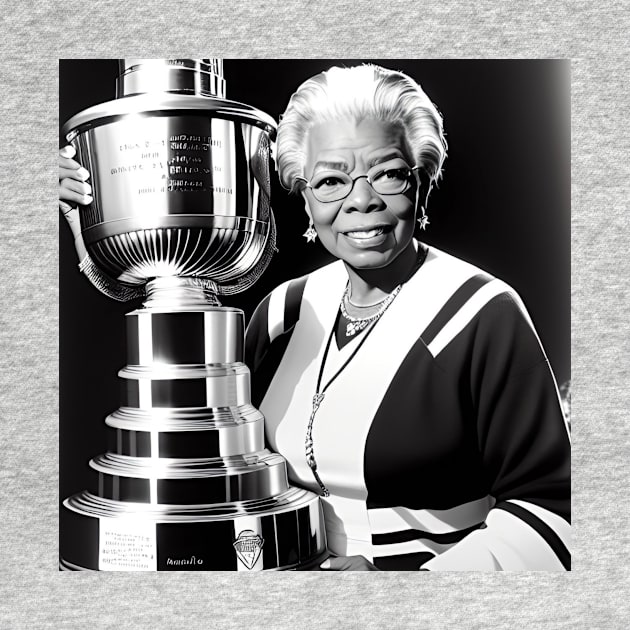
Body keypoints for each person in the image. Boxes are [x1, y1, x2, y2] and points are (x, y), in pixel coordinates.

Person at [60, 63, 570, 571]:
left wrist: (401, 590)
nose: (362, 201)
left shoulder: (483, 312)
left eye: (389, 173)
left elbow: (554, 512)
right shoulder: (284, 311)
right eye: (331, 180)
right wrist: (88, 218)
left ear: (424, 181)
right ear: (304, 197)